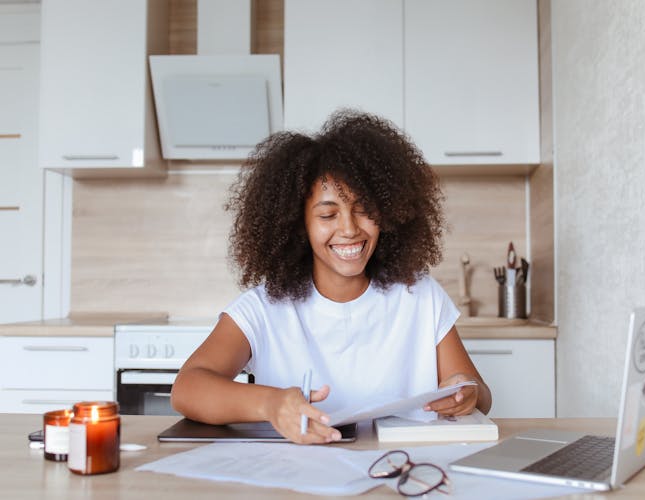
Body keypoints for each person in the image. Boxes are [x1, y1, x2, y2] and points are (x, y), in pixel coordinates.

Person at [171, 110, 492, 444]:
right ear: (298, 224)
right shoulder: (264, 308)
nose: (350, 229)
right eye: (327, 214)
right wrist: (271, 403)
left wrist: (466, 392)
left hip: (401, 477)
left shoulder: (420, 295)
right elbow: (187, 387)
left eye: (365, 210)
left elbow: (478, 392)